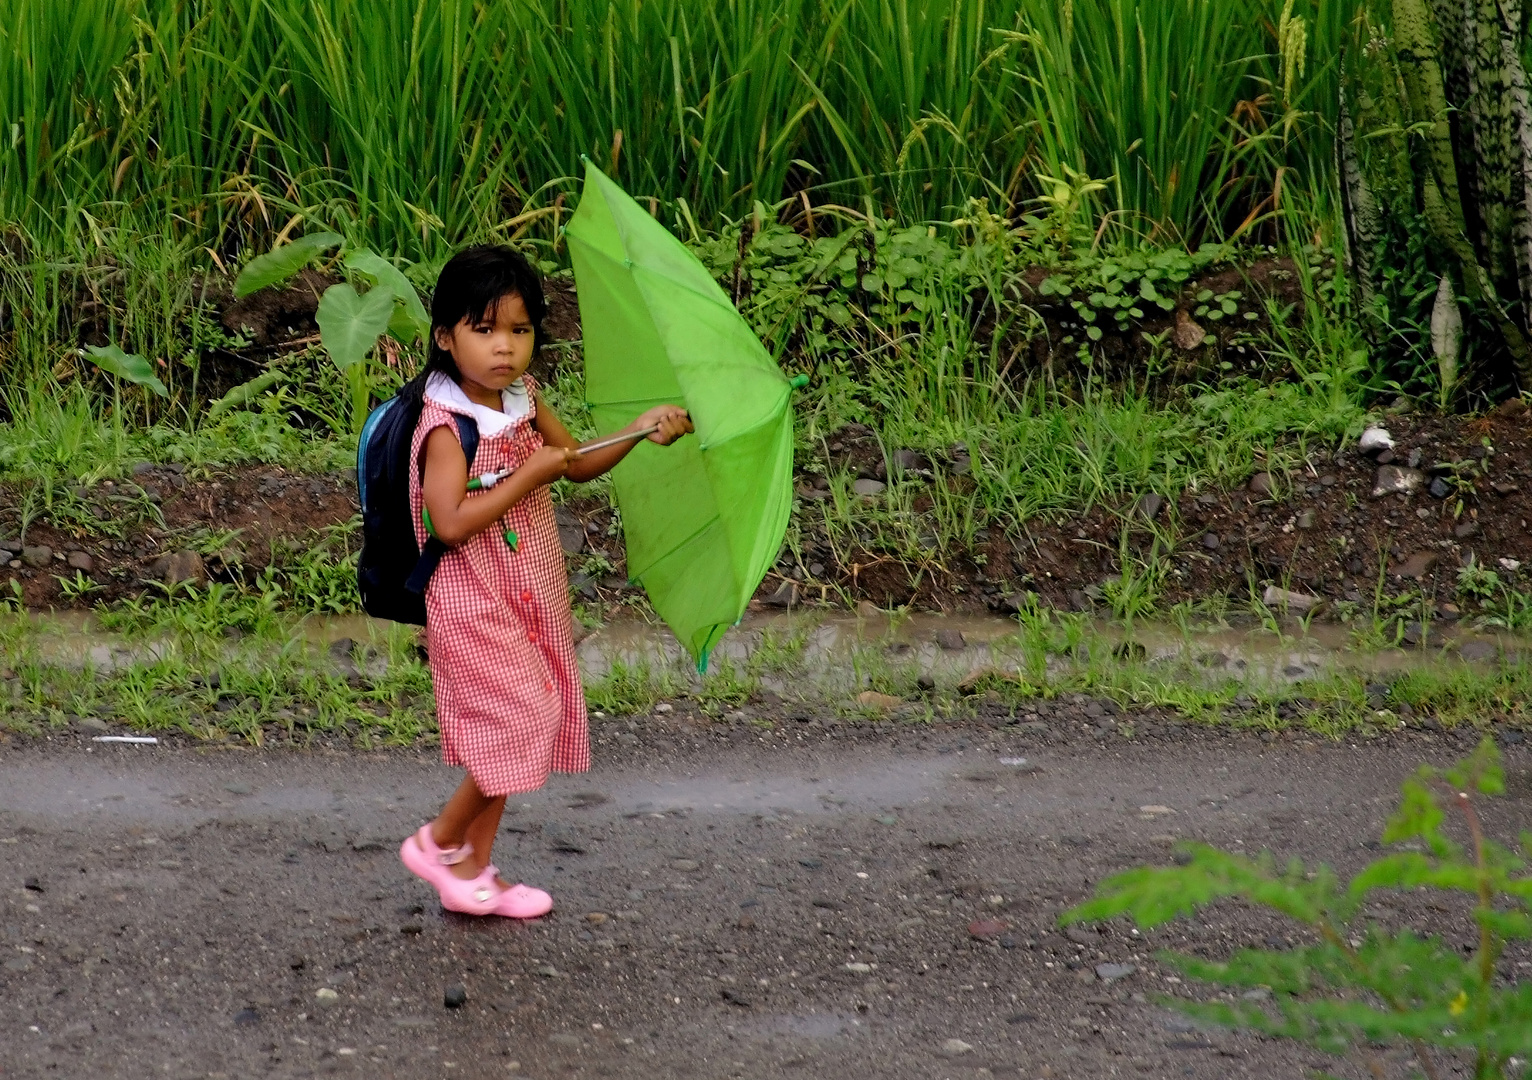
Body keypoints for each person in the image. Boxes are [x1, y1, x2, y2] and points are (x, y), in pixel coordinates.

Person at [398, 245, 691, 917]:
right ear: (445, 337)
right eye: (485, 329)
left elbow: (576, 463)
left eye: (520, 330)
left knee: (522, 722)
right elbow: (447, 522)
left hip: (529, 590)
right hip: (474, 598)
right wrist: (528, 475)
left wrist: (639, 431)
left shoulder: (523, 399)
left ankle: (472, 870)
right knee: (522, 719)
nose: (505, 347)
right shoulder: (446, 426)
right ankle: (439, 841)